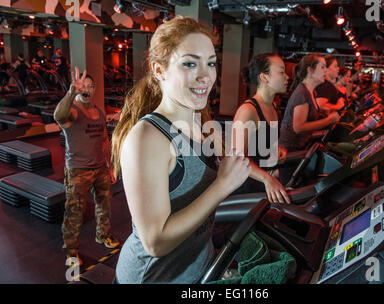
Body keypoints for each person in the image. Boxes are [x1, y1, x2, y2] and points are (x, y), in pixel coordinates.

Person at [111, 16, 250, 284]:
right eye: (189, 63)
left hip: (197, 267)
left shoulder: (200, 120)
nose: (205, 75)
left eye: (210, 63)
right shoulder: (148, 138)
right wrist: (221, 186)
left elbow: (231, 164)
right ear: (159, 70)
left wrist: (266, 178)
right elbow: (155, 242)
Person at [54, 67, 120, 267]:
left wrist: (109, 166)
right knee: (75, 212)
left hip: (99, 167)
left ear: (94, 89)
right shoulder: (72, 110)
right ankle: (71, 252)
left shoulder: (99, 112)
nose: (88, 90)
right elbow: (58, 116)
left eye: (91, 86)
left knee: (105, 204)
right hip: (78, 169)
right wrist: (71, 91)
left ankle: (103, 235)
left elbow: (104, 140)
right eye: (85, 86)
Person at [232, 53, 290, 204]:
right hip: (247, 189)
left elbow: (263, 147)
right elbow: (236, 159)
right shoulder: (248, 111)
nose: (287, 77)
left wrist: (278, 150)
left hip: (264, 183)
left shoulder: (272, 106)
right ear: (264, 77)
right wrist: (267, 178)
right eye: (281, 72)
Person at [279, 54, 340, 184]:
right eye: (322, 67)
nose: (325, 71)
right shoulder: (302, 93)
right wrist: (329, 120)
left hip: (301, 147)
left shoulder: (312, 92)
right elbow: (299, 127)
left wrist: (325, 111)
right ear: (310, 70)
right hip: (291, 152)